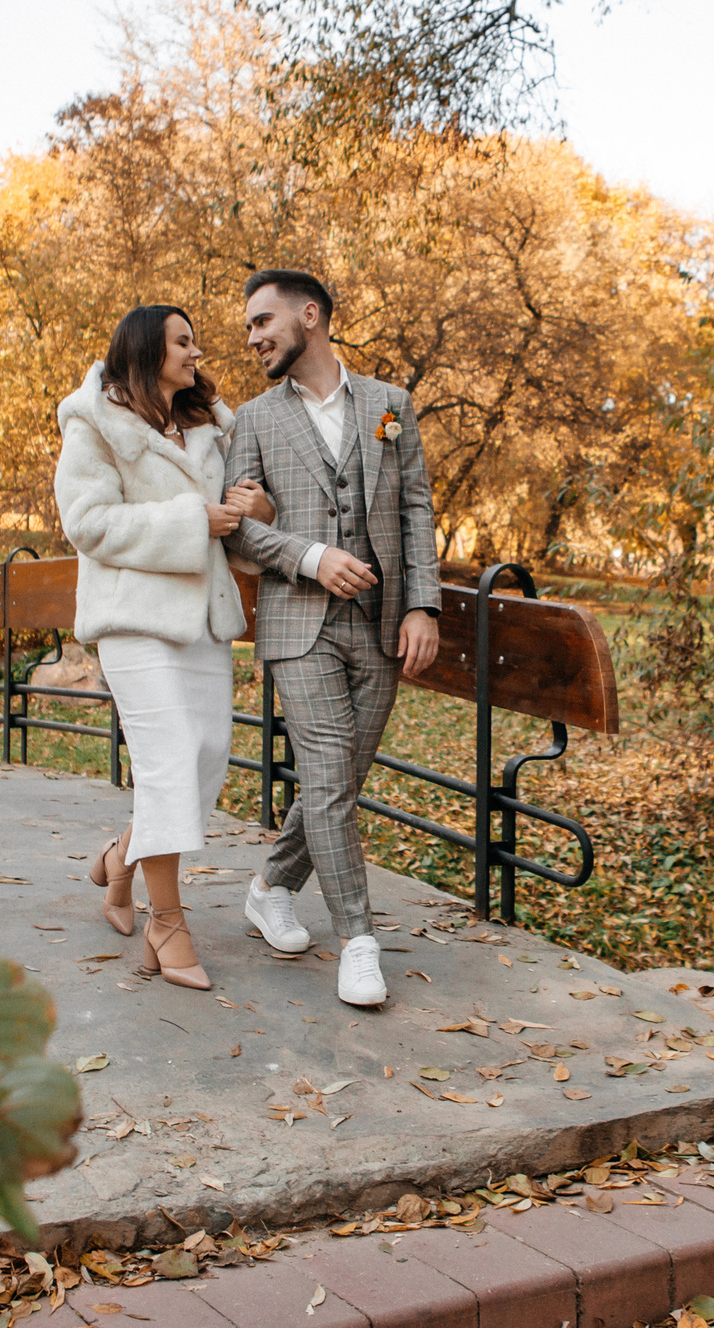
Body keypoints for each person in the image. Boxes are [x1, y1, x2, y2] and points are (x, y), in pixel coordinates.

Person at [222, 269, 441, 1008]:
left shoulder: (389, 406)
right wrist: (311, 556)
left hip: (380, 624)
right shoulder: (252, 419)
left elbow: (416, 509)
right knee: (325, 773)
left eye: (262, 321)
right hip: (295, 623)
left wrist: (424, 608)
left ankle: (271, 885)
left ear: (309, 315)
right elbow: (238, 528)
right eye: (249, 327)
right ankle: (358, 939)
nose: (253, 337)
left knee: (338, 781)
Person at [52, 305, 273, 991]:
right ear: (146, 347)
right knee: (170, 754)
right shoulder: (94, 419)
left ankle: (122, 858)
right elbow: (86, 522)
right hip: (133, 620)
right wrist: (189, 520)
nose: (196, 351)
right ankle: (167, 922)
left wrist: (256, 510)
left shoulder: (215, 424)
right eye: (182, 340)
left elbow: (240, 519)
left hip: (203, 622)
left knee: (204, 760)